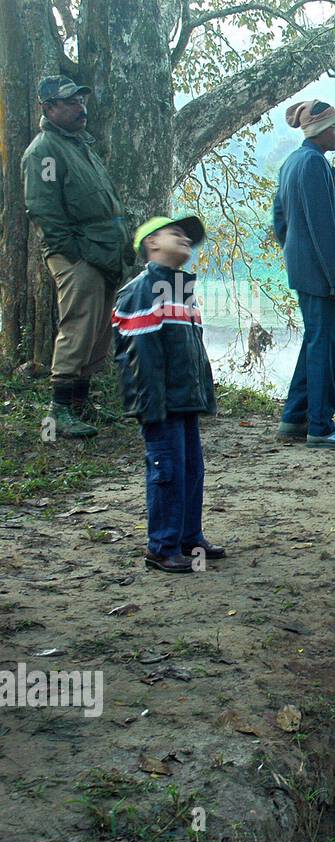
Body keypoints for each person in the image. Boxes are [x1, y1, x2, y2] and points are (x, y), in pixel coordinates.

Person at [22, 75, 133, 439]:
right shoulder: (45, 151)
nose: (80, 108)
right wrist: (75, 254)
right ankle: (57, 415)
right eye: (70, 102)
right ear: (49, 108)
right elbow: (44, 209)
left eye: (80, 101)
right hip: (78, 254)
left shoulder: (81, 145)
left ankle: (82, 405)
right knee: (78, 327)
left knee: (99, 331)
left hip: (103, 251)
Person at [112, 214, 222, 573]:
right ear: (152, 243)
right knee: (167, 470)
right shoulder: (141, 290)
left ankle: (190, 536)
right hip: (160, 403)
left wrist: (203, 393)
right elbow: (140, 355)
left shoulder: (182, 292)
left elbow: (194, 350)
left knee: (192, 468)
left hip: (183, 398)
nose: (185, 240)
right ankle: (161, 546)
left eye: (188, 237)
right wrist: (150, 404)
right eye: (176, 234)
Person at [272, 99, 335, 448]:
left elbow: (279, 220)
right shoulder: (315, 164)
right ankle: (320, 426)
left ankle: (293, 417)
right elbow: (324, 227)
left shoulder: (291, 163)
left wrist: (294, 250)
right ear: (319, 130)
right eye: (334, 128)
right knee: (324, 345)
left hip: (301, 265)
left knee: (314, 340)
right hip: (318, 270)